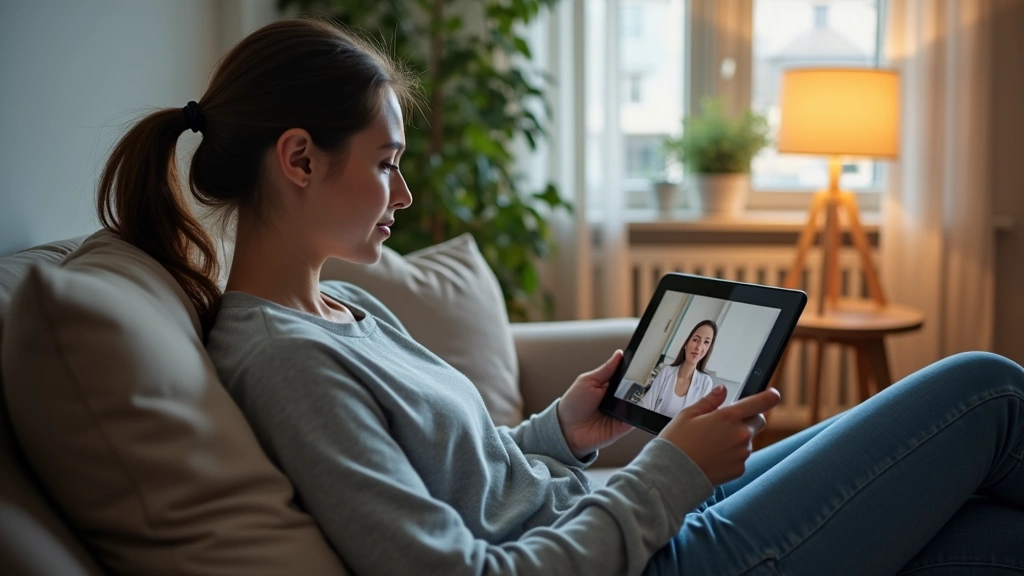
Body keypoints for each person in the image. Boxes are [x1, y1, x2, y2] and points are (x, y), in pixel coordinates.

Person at [95, 18, 1024, 576]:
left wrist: (560, 431)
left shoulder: (344, 310)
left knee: (991, 533)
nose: (405, 196)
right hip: (657, 558)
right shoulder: (285, 364)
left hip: (623, 523)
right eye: (386, 165)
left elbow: (459, 474)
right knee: (986, 391)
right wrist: (671, 474)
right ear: (299, 159)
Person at [639, 320, 718, 417]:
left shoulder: (706, 382)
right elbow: (644, 405)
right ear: (686, 344)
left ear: (708, 349)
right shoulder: (666, 371)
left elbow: (699, 422)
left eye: (706, 342)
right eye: (695, 340)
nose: (699, 347)